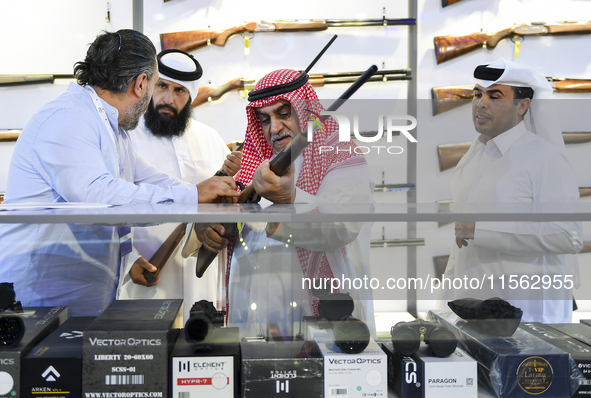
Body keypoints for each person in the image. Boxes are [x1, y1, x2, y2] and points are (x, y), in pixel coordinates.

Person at [0, 30, 238, 316]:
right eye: (156, 85)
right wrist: (193, 195)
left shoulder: (111, 127)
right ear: (141, 84)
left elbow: (146, 177)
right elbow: (99, 198)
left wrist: (203, 196)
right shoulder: (68, 119)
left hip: (78, 302)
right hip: (39, 305)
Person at [184, 69, 375, 338]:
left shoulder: (341, 153)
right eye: (264, 119)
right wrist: (205, 229)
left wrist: (291, 199)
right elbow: (216, 217)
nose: (273, 128)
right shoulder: (252, 160)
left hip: (318, 309)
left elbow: (342, 228)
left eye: (284, 114)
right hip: (251, 304)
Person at [440, 58, 583, 323]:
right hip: (473, 309)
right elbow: (462, 242)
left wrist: (481, 230)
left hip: (527, 315)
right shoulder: (473, 156)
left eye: (495, 96)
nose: (481, 102)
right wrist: (445, 303)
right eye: (477, 94)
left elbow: (568, 236)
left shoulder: (544, 158)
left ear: (523, 106)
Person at [118, 49, 241, 322]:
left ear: (191, 96)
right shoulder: (126, 136)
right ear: (148, 85)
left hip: (202, 275)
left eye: (180, 91)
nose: (168, 99)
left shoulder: (210, 138)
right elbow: (110, 204)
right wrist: (128, 260)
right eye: (162, 86)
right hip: (146, 271)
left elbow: (230, 203)